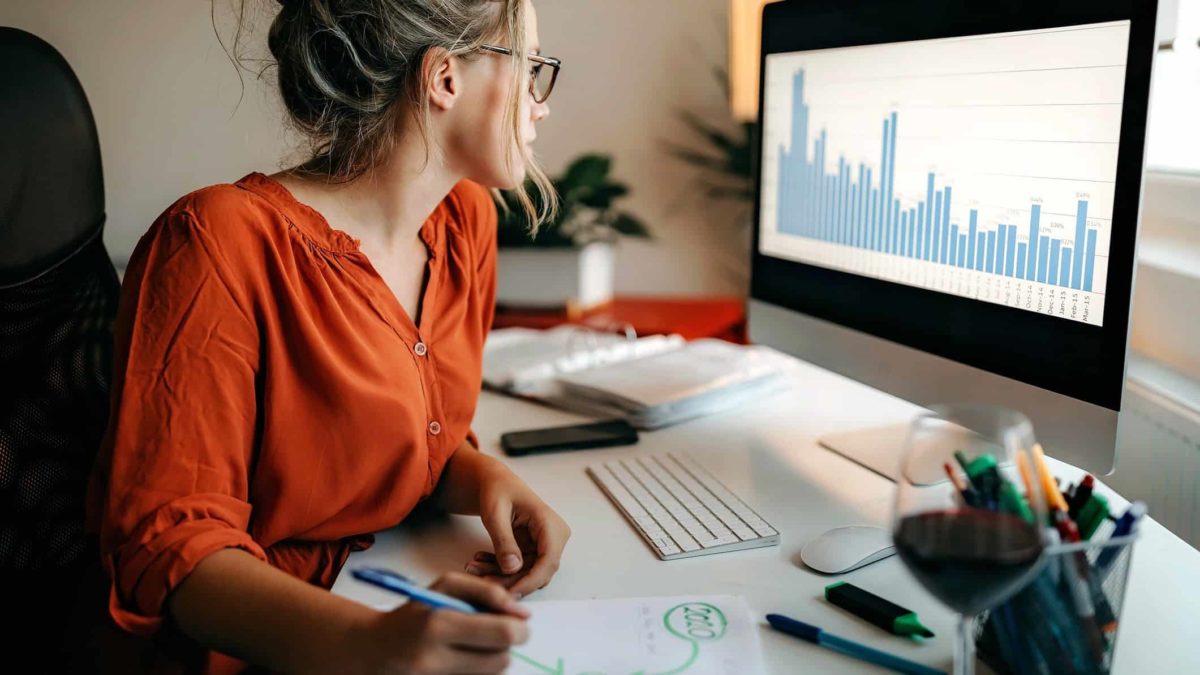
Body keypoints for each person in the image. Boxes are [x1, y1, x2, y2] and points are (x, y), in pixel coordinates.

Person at [84, 1, 569, 672]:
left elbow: (398, 440)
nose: (541, 104)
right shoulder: (216, 243)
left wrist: (482, 477)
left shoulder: (465, 223)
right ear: (445, 80)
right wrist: (367, 644)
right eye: (532, 66)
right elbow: (171, 550)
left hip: (382, 594)